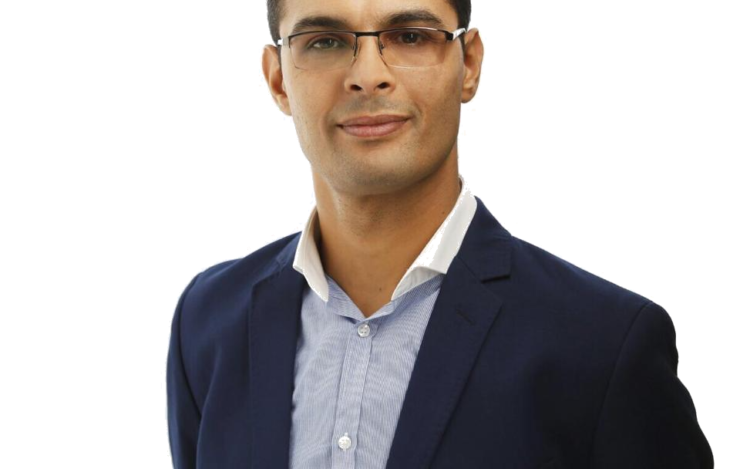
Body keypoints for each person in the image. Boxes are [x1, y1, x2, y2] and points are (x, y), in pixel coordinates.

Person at [166, 0, 712, 467]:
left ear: (469, 63)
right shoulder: (207, 321)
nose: (367, 75)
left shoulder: (603, 344)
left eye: (409, 36)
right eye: (325, 41)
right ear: (278, 77)